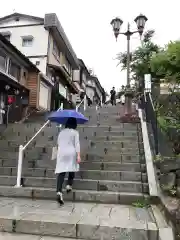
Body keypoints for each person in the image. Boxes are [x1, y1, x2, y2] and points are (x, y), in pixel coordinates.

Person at [55, 117, 81, 205]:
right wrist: (78, 155)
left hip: (61, 153)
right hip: (71, 152)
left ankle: (59, 191)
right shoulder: (75, 132)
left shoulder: (61, 132)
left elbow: (58, 143)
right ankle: (69, 185)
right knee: (72, 168)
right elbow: (77, 144)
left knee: (61, 172)